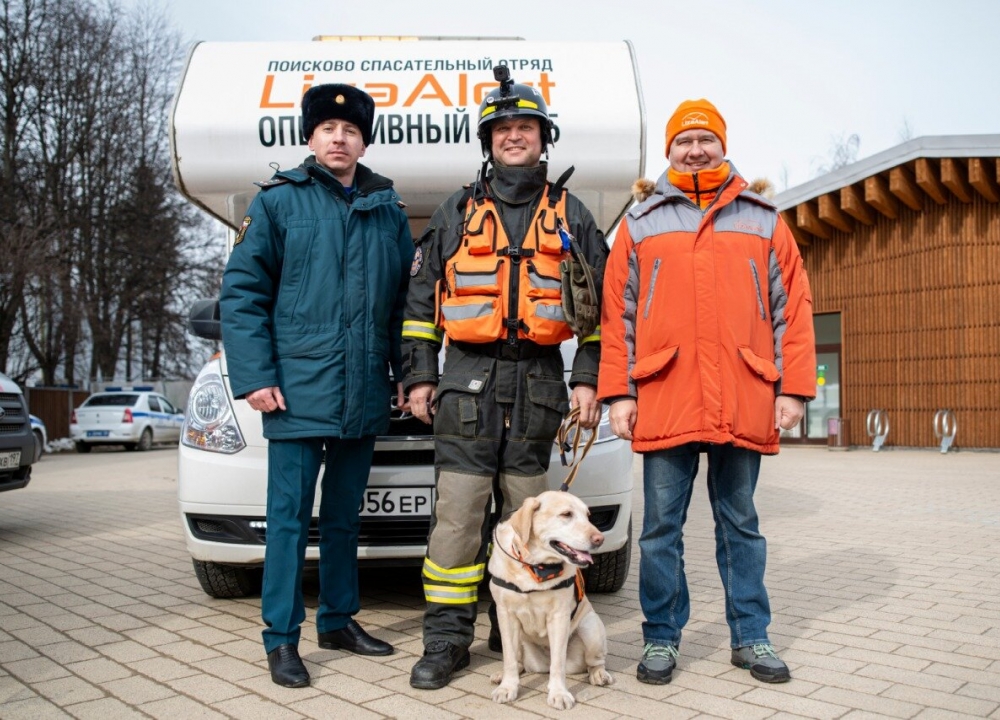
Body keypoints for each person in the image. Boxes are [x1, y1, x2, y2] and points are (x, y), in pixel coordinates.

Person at [401, 67, 608, 690]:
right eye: (503, 129)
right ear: (488, 140)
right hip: (465, 381)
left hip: (541, 384)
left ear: (544, 138)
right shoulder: (456, 211)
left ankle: (513, 633)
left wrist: (589, 380)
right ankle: (445, 642)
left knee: (532, 522)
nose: (514, 137)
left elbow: (599, 310)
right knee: (459, 520)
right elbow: (418, 302)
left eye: (525, 128)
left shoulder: (572, 214)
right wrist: (418, 378)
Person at [598, 99, 816, 686]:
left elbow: (792, 310)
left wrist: (792, 389)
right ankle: (662, 639)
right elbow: (616, 316)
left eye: (705, 139)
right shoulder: (640, 222)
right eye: (683, 141)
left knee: (739, 521)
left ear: (723, 145)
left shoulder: (765, 217)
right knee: (659, 529)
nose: (695, 150)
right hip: (664, 390)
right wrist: (619, 393)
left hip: (745, 389)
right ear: (667, 152)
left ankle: (752, 635)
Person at [219, 83, 414, 688]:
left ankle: (337, 620)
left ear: (364, 139)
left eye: (351, 130)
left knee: (343, 518)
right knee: (287, 517)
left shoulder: (387, 208)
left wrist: (408, 376)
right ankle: (281, 639)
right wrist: (255, 378)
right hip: (296, 387)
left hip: (362, 387)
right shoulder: (278, 203)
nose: (339, 137)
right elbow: (243, 294)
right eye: (328, 129)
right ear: (309, 137)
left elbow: (405, 306)